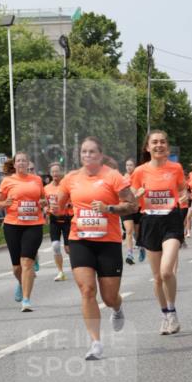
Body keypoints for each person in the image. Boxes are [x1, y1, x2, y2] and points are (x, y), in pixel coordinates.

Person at [55, 136, 137, 360]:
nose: (87, 155)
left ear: (100, 155)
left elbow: (132, 205)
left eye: (92, 152)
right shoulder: (71, 178)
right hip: (80, 239)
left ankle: (117, 308)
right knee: (87, 290)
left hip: (108, 241)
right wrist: (53, 206)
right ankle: (96, 343)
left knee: (109, 297)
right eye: (84, 152)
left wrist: (108, 207)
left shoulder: (113, 177)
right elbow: (58, 206)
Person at [131, 130, 188, 334]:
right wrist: (136, 195)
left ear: (167, 147)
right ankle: (165, 314)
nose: (159, 145)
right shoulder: (139, 171)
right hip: (150, 222)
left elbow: (182, 190)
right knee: (156, 277)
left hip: (171, 221)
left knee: (166, 271)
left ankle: (172, 313)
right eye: (154, 142)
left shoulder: (176, 168)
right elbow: (131, 199)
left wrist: (184, 197)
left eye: (163, 142)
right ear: (148, 147)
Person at [0, 151, 45, 312]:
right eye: (19, 161)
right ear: (15, 164)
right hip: (13, 225)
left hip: (34, 224)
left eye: (24, 161)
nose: (22, 163)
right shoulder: (7, 181)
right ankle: (21, 281)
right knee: (17, 267)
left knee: (27, 262)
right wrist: (5, 203)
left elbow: (43, 199)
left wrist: (43, 202)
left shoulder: (37, 180)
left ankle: (26, 300)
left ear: (28, 163)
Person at [43, 163, 72, 281]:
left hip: (66, 219)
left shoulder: (66, 187)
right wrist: (45, 209)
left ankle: (76, 267)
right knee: (55, 246)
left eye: (57, 171)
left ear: (61, 173)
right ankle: (60, 272)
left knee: (68, 249)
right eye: (53, 172)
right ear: (50, 173)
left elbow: (75, 199)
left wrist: (69, 204)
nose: (55, 174)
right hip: (54, 219)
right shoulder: (46, 188)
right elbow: (44, 203)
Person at [122, 157, 145, 264]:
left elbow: (143, 189)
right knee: (129, 231)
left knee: (137, 232)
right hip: (126, 208)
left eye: (131, 165)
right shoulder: (123, 178)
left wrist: (135, 196)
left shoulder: (139, 178)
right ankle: (130, 254)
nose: (128, 167)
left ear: (135, 167)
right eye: (127, 165)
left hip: (137, 208)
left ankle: (141, 247)